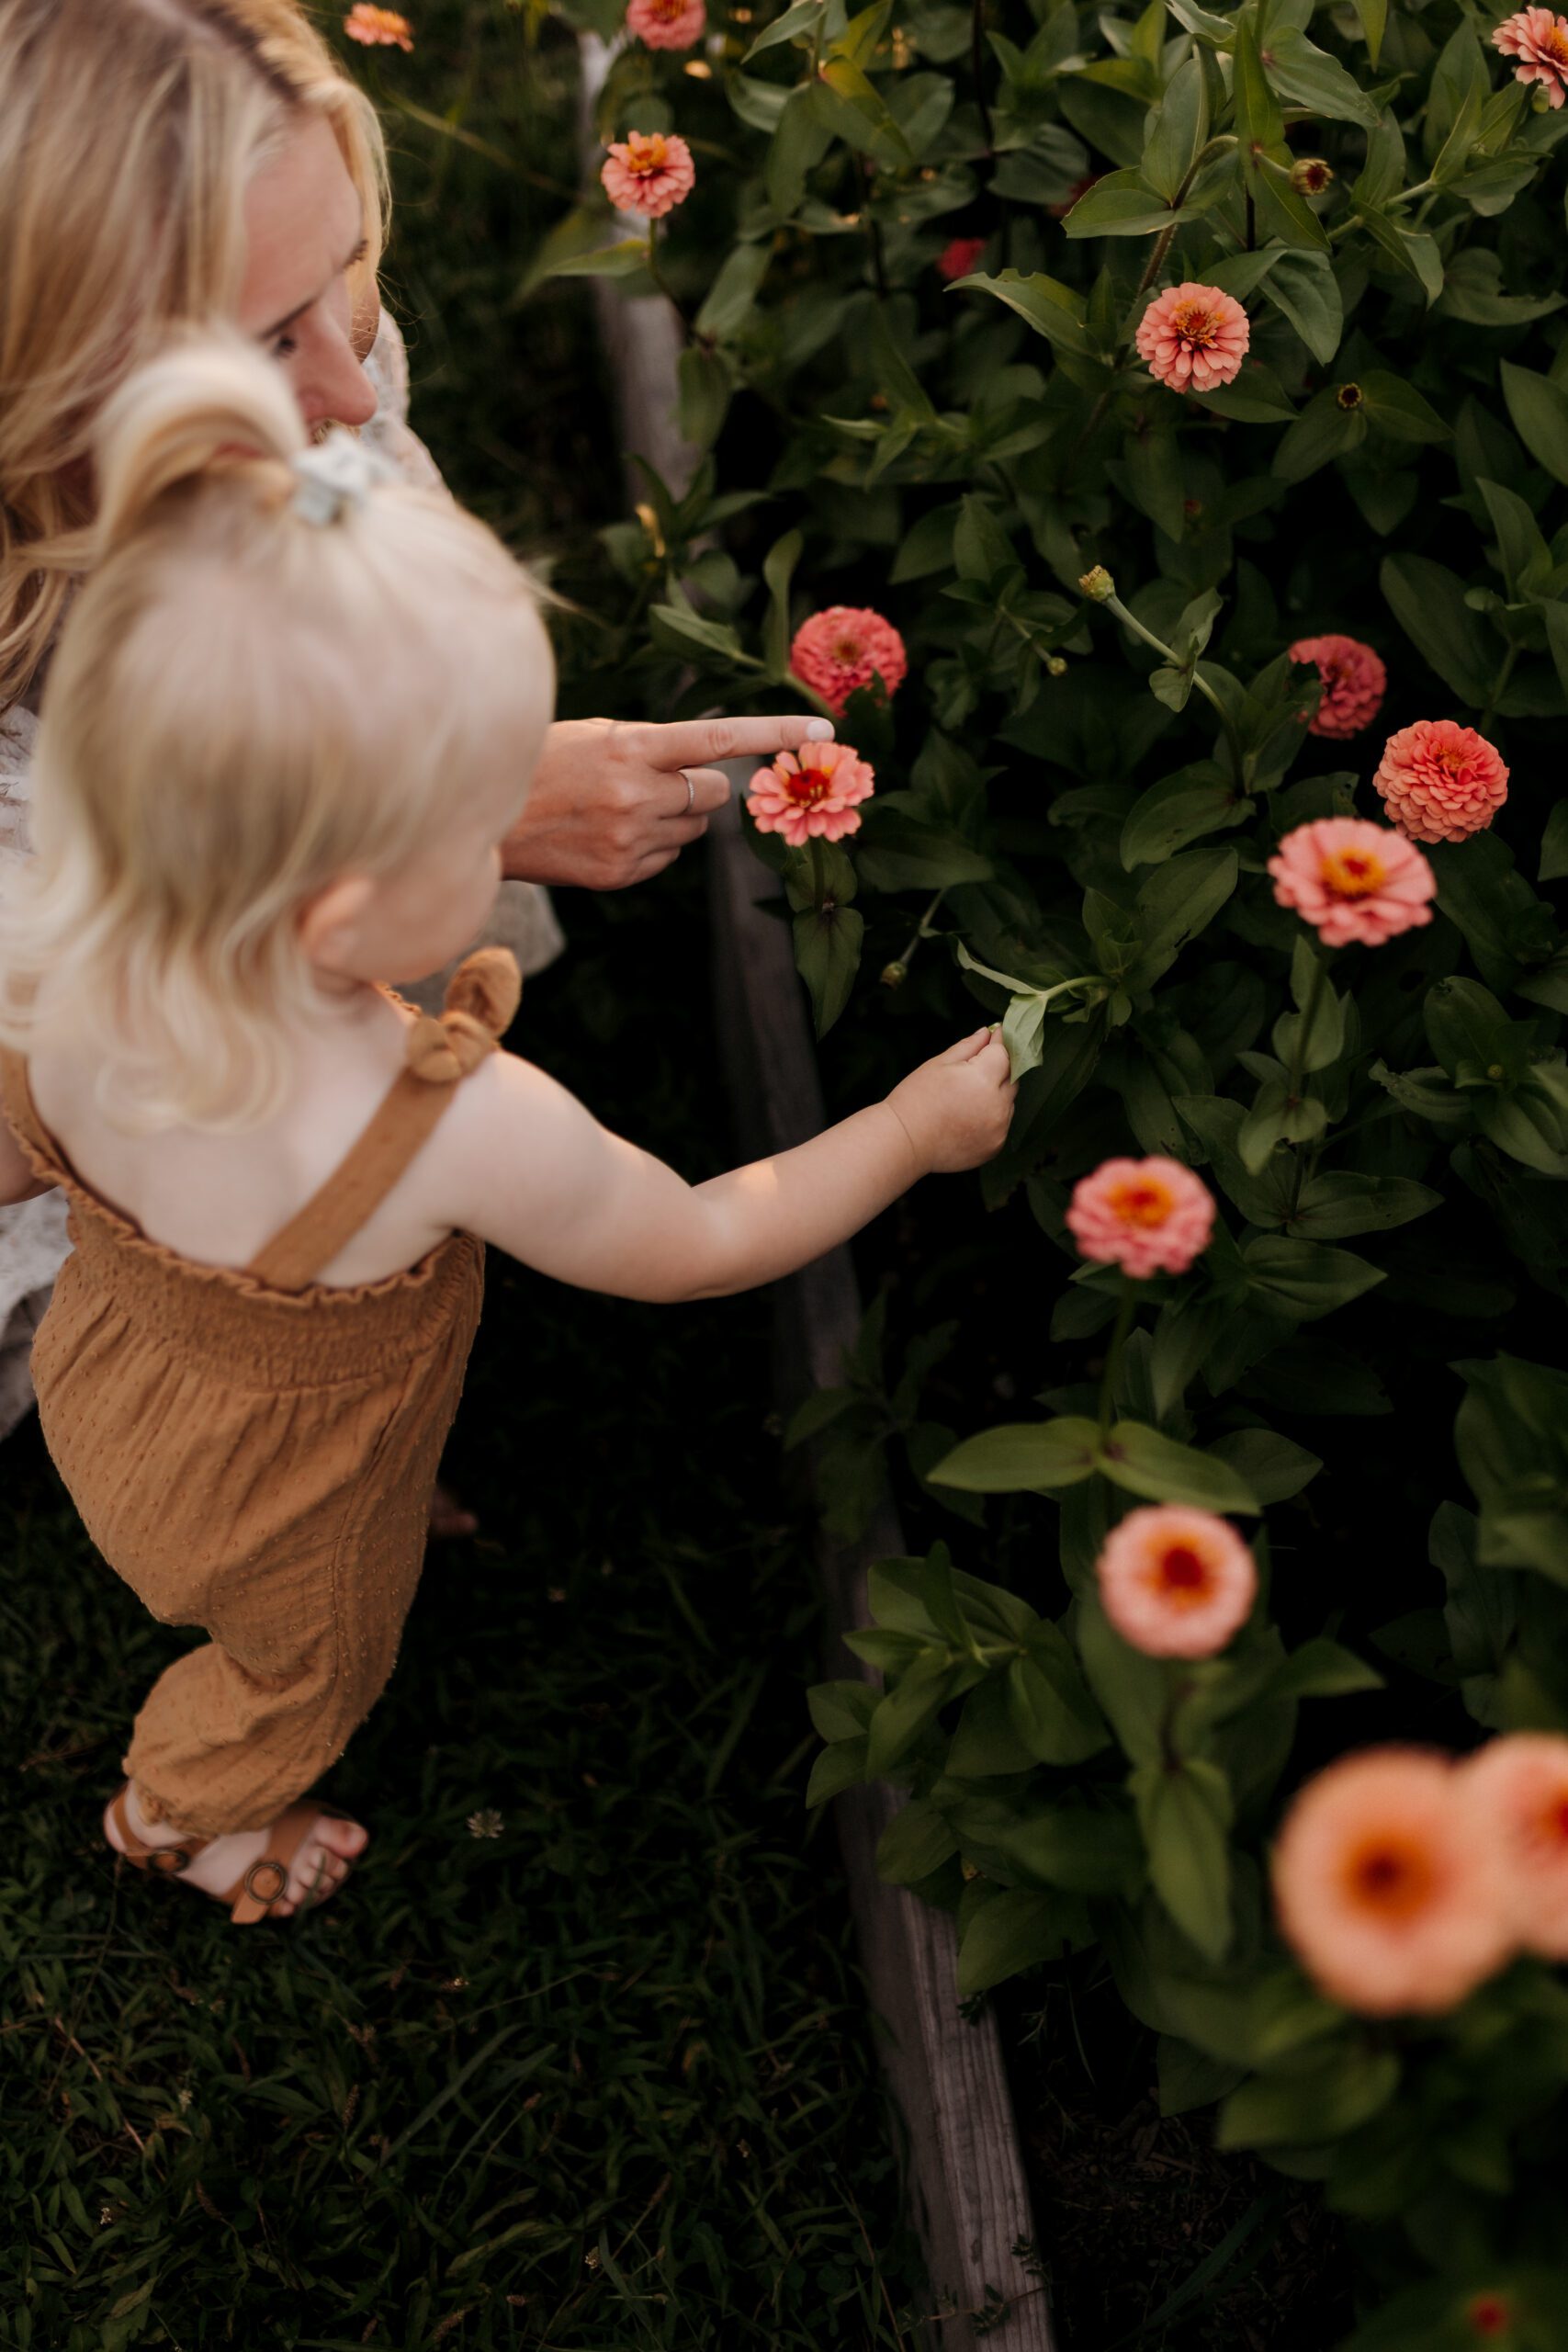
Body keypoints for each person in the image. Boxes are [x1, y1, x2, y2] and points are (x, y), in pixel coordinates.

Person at [0, 336, 1017, 1924]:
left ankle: (332, 1493)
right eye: (484, 819)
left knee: (278, 1506)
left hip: (107, 1394)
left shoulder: (79, 999)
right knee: (300, 1664)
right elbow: (700, 1239)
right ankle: (185, 1817)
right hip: (274, 1518)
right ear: (353, 902)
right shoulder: (456, 1120)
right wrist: (907, 1126)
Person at [0, 0, 827, 1439]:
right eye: (267, 339)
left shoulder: (321, 375)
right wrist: (469, 815)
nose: (350, 384)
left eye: (347, 273)